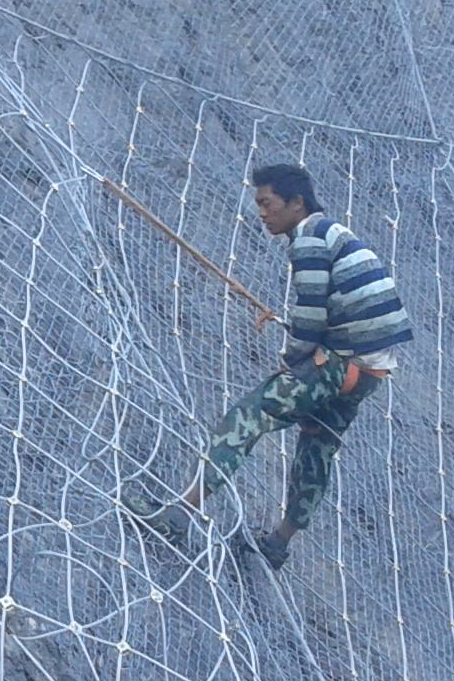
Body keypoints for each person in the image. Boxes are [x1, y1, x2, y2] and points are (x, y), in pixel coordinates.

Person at [135, 162, 415, 570]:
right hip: (371, 372)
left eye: (267, 203)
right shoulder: (335, 233)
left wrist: (295, 360)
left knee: (250, 414)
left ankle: (178, 515)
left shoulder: (309, 238)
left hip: (338, 362)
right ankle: (277, 545)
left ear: (296, 203)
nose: (262, 213)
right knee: (317, 446)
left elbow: (311, 313)